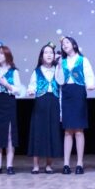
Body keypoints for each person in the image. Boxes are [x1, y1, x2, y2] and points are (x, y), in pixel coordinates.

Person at [55, 36, 95, 174]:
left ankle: (79, 163)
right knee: (67, 131)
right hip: (66, 93)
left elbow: (89, 74)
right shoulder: (62, 61)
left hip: (78, 93)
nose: (64, 45)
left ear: (74, 44)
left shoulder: (83, 60)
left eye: (67, 42)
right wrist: (59, 65)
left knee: (78, 130)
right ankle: (66, 164)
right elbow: (60, 80)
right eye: (63, 44)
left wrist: (90, 84)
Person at [27, 42, 63, 174]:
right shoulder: (37, 71)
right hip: (40, 103)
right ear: (41, 56)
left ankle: (48, 165)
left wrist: (59, 65)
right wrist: (31, 91)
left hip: (53, 102)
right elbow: (32, 85)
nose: (48, 55)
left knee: (51, 132)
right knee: (38, 132)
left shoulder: (57, 69)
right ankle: (36, 165)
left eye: (51, 53)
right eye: (46, 52)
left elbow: (61, 82)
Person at [0, 43, 23, 174]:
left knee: (9, 135)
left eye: (1, 53)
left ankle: (9, 166)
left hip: (8, 102)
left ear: (7, 55)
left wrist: (7, 84)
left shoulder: (14, 71)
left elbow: (18, 90)